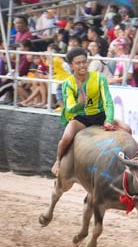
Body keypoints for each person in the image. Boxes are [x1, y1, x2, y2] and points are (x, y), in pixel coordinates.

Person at [51, 47, 131, 177]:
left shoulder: (99, 78)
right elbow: (69, 108)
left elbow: (108, 101)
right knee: (66, 137)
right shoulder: (68, 83)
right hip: (81, 118)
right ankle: (58, 160)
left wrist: (109, 120)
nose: (82, 65)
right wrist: (80, 104)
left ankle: (128, 164)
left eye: (84, 62)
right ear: (71, 66)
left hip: (100, 116)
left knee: (127, 129)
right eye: (78, 63)